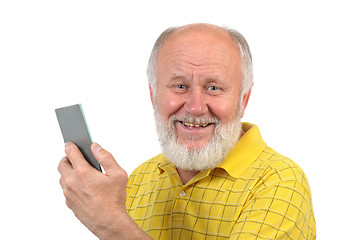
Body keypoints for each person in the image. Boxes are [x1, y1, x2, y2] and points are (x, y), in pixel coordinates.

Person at [58, 23, 316, 239]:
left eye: (214, 88)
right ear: (153, 96)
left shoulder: (280, 182)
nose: (195, 107)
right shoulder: (140, 179)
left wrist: (112, 223)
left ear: (243, 100)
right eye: (180, 86)